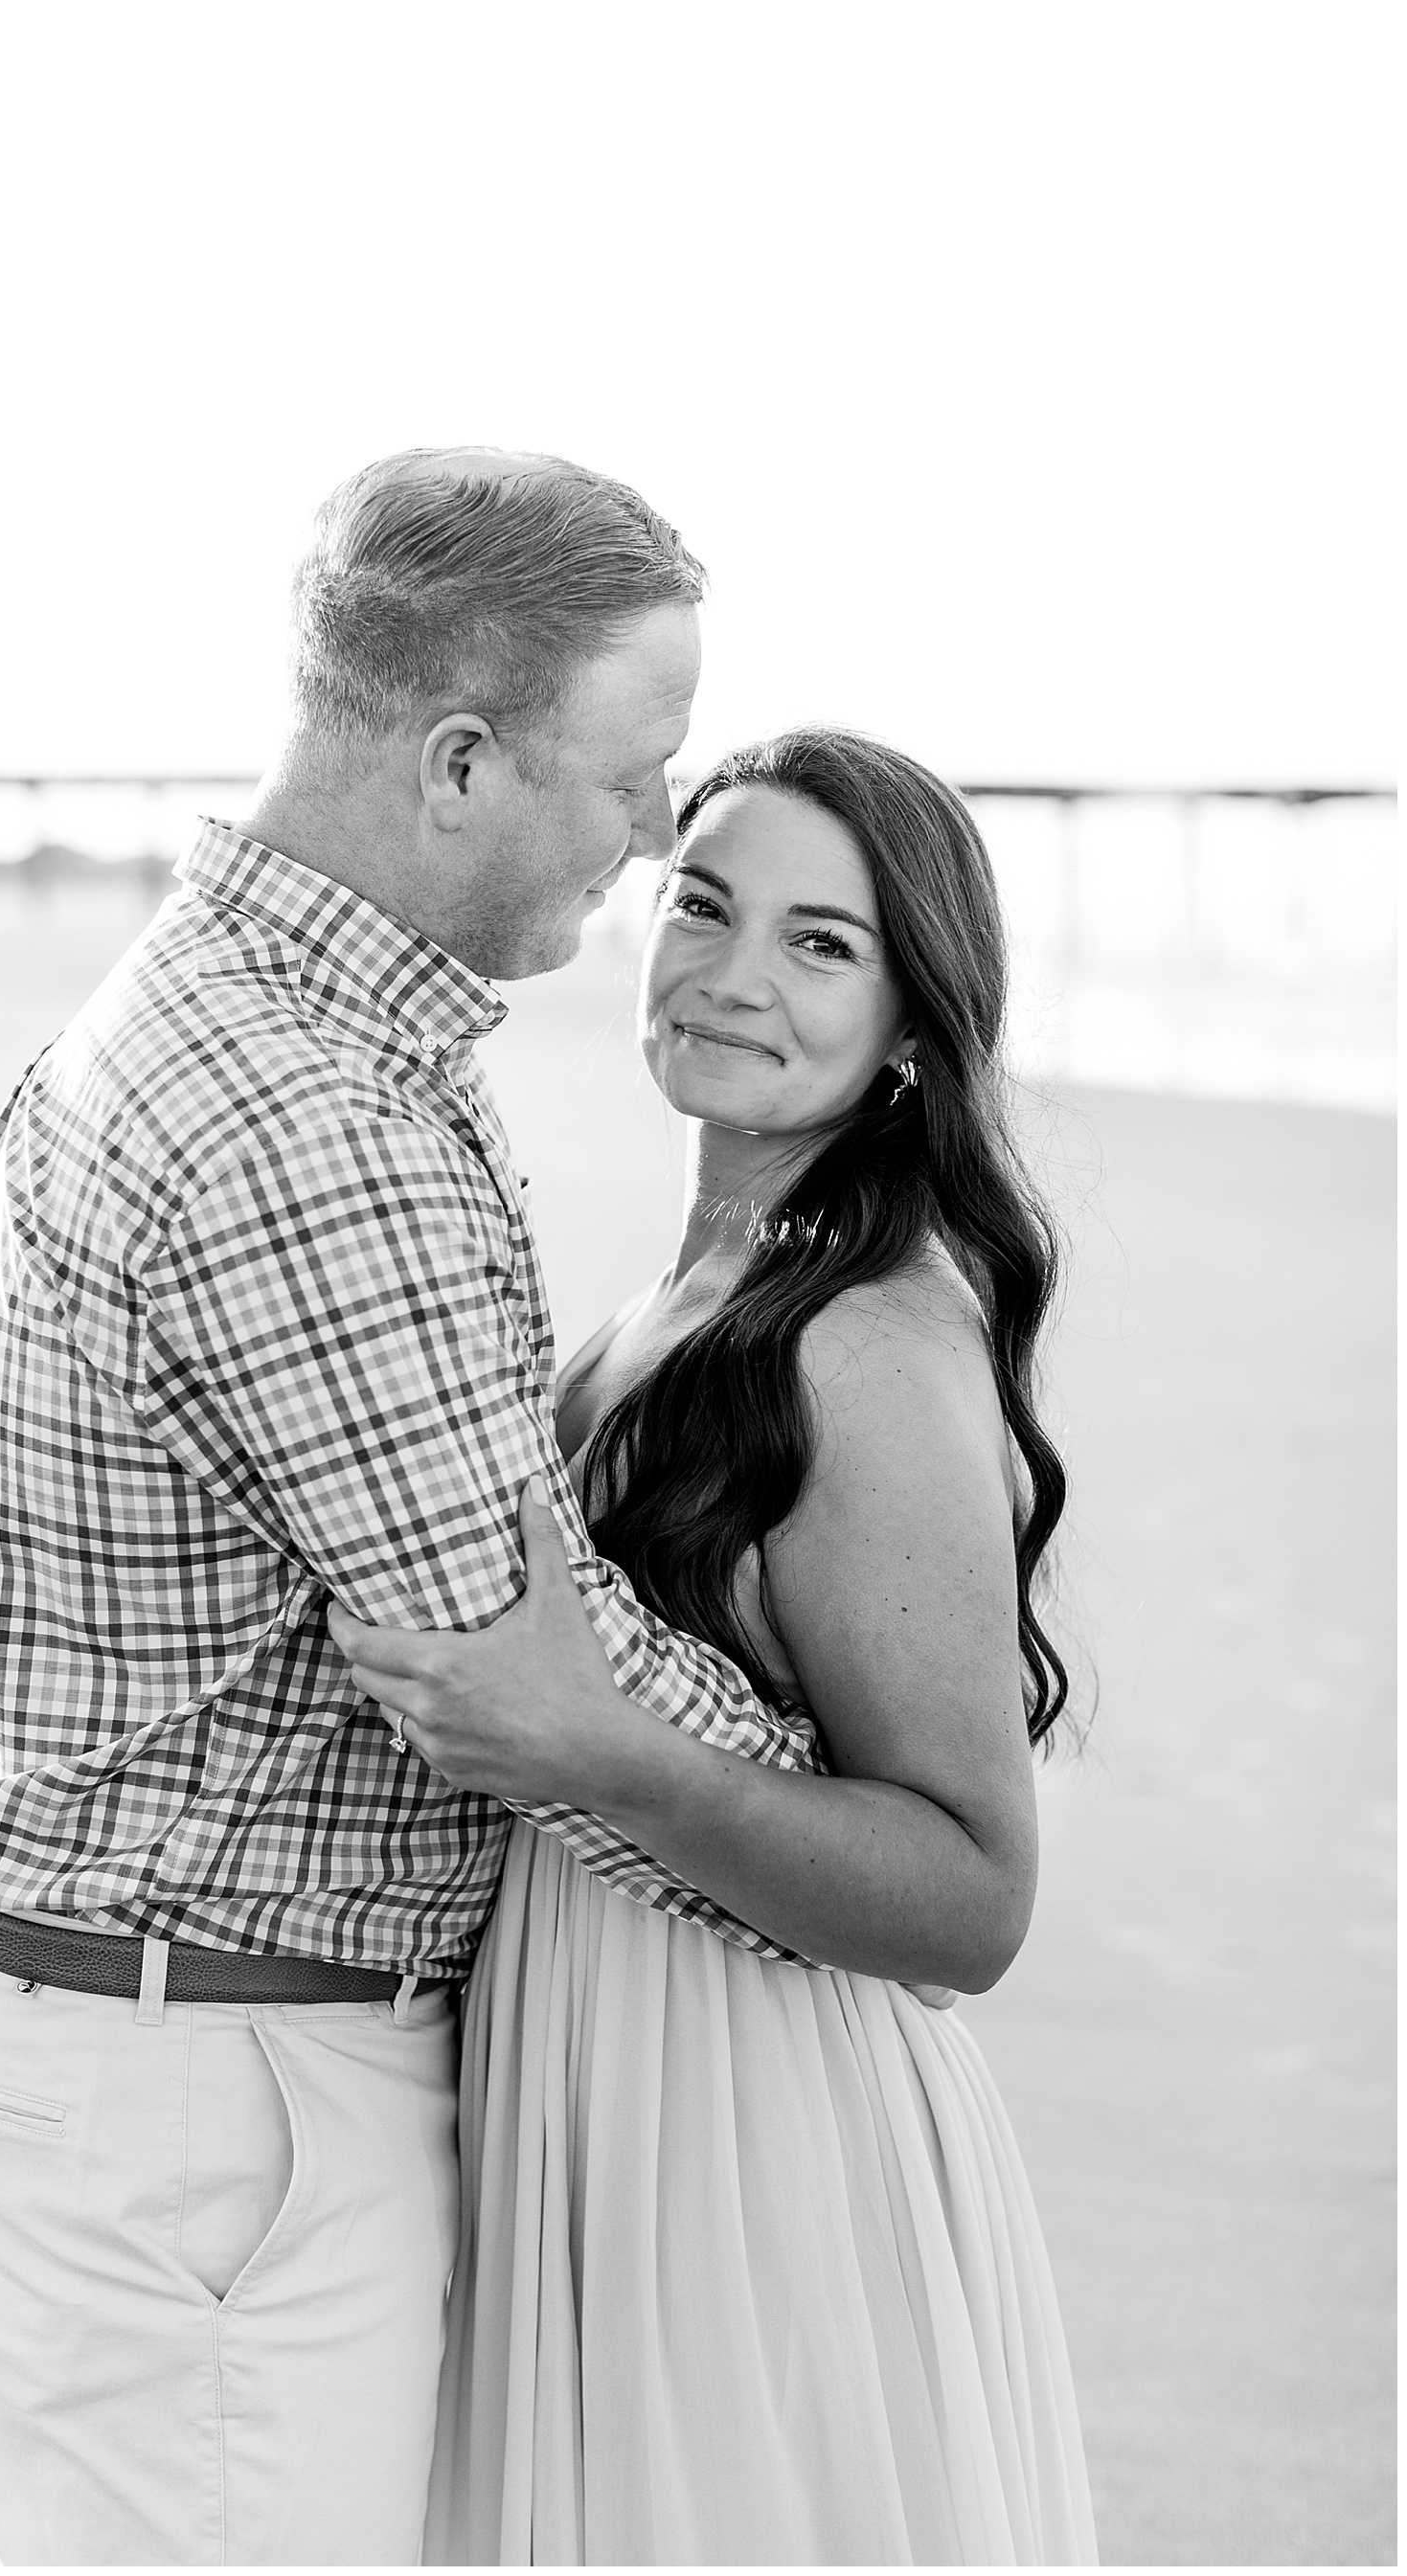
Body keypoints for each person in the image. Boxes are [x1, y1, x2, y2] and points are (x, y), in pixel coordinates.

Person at [0, 448, 833, 2568]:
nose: (660, 832)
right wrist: (884, 1835)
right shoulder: (312, 1121)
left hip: (177, 2070)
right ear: (466, 761)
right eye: (635, 772)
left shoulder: (288, 1030)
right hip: (202, 2102)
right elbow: (519, 1677)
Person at [329, 729, 1101, 2565]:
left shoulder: (863, 1347)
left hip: (757, 2155)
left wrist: (603, 1750)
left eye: (823, 943)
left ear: (916, 1018)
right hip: (597, 2091)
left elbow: (972, 1898)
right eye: (704, 901)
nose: (735, 972)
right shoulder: (675, 1300)